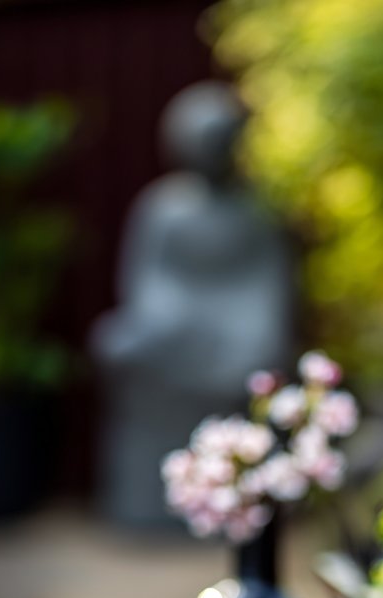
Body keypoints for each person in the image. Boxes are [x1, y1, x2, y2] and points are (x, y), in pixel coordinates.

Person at [91, 82, 293, 525]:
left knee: (259, 359)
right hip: (176, 321)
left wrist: (244, 333)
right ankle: (145, 503)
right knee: (116, 342)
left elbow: (267, 290)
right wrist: (169, 321)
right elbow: (147, 283)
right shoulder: (161, 209)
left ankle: (242, 501)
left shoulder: (257, 212)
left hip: (238, 323)